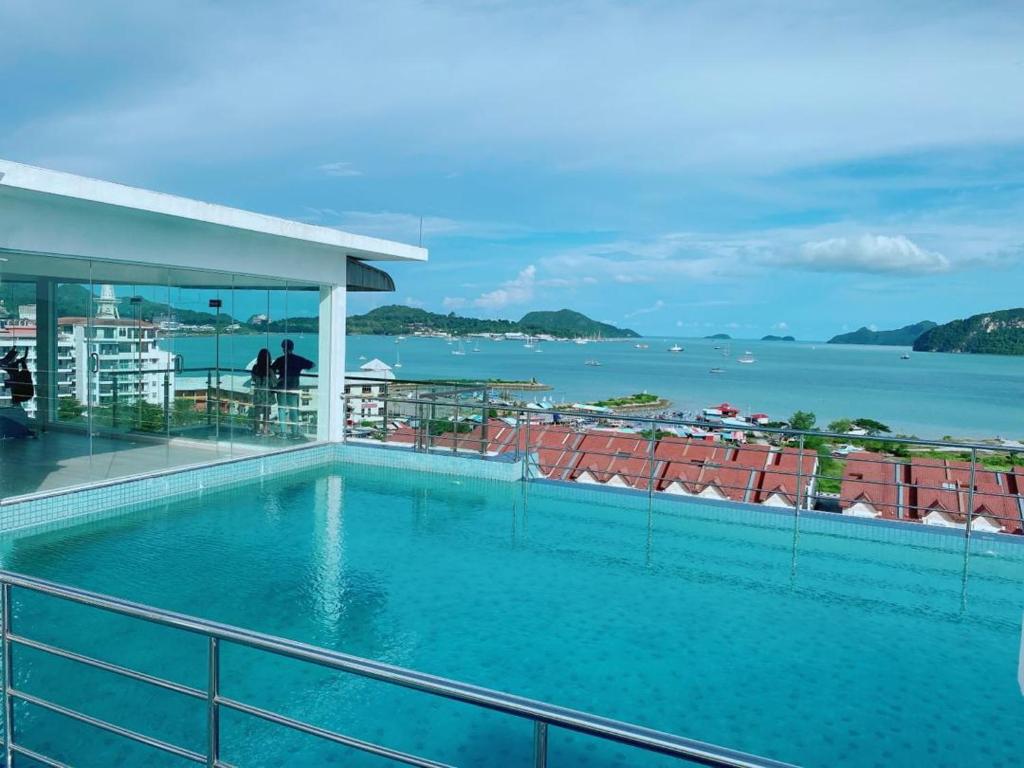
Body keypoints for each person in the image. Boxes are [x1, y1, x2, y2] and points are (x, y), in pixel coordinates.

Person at [271, 339, 313, 438]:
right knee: (293, 410)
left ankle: (283, 433)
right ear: (292, 348)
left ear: (283, 349)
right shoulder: (298, 359)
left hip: (281, 386)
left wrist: (275, 381)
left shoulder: (280, 359)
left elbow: (271, 369)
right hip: (293, 387)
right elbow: (312, 364)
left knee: (281, 410)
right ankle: (295, 433)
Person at [250, 348, 277, 436]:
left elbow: (253, 379)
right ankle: (265, 430)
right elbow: (274, 381)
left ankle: (256, 430)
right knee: (266, 413)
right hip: (267, 393)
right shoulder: (270, 369)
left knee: (257, 412)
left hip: (258, 392)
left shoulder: (255, 368)